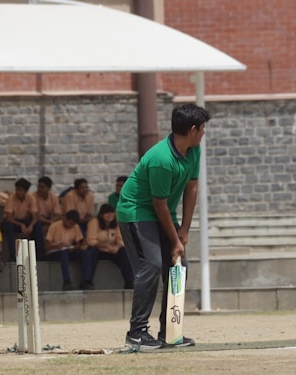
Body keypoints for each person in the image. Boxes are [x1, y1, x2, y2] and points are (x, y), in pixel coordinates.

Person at [117, 103, 209, 349]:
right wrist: (175, 240)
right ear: (192, 129)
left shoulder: (193, 149)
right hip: (136, 210)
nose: (204, 133)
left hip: (163, 212)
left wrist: (184, 232)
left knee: (178, 267)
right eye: (202, 129)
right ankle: (136, 333)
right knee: (152, 264)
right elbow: (158, 204)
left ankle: (169, 332)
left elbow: (191, 188)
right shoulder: (162, 159)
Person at [86, 203, 134, 289]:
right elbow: (91, 240)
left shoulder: (116, 223)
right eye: (107, 213)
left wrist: (117, 247)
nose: (110, 215)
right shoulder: (94, 222)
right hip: (98, 249)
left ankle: (129, 282)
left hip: (112, 250)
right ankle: (87, 281)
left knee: (125, 252)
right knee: (90, 252)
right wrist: (105, 246)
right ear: (101, 215)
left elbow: (121, 240)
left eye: (112, 213)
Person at [44, 210, 93, 291]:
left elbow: (78, 243)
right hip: (55, 251)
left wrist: (74, 247)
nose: (70, 226)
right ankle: (67, 281)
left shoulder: (75, 227)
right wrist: (56, 246)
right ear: (65, 218)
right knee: (63, 254)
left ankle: (86, 280)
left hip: (68, 250)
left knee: (86, 254)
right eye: (69, 223)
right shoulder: (54, 226)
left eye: (72, 224)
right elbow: (46, 246)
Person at [1, 178, 44, 261]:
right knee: (8, 226)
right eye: (17, 189)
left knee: (37, 225)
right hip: (13, 222)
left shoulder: (30, 198)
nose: (17, 192)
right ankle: (13, 254)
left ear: (26, 191)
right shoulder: (11, 199)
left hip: (24, 221)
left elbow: (35, 216)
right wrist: (21, 225)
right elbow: (9, 217)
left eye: (20, 190)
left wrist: (30, 226)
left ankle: (40, 254)